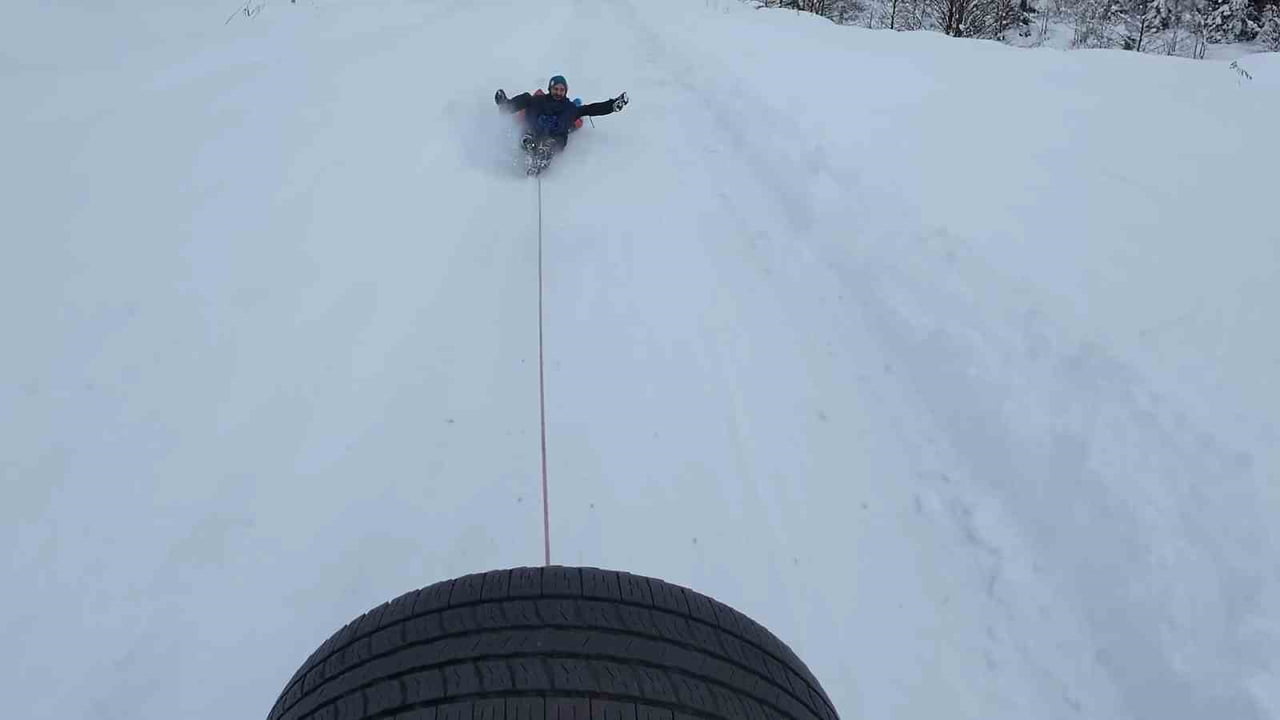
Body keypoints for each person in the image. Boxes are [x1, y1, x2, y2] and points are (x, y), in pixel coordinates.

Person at [494, 75, 628, 159]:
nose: (558, 92)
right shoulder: (539, 100)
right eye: (556, 89)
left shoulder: (569, 107)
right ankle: (507, 108)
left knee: (553, 141)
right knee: (528, 98)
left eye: (561, 90)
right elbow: (525, 102)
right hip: (534, 131)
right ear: (550, 88)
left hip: (555, 136)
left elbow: (591, 109)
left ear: (565, 91)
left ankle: (545, 153)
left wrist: (611, 106)